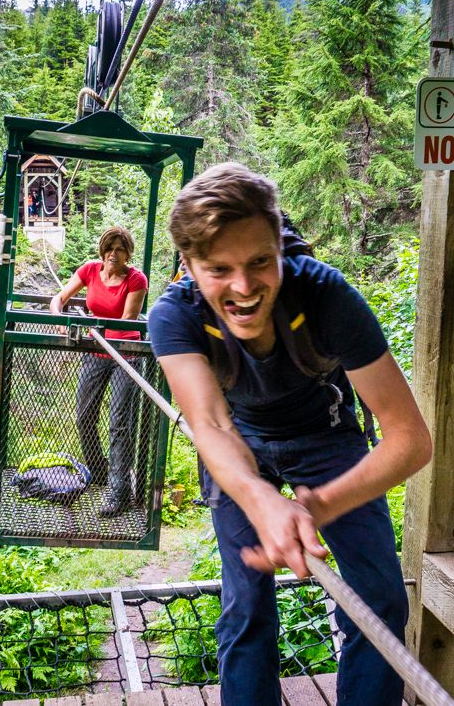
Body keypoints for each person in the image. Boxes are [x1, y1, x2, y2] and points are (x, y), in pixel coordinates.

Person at [147, 163, 432, 706]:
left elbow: (410, 437)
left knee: (379, 600)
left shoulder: (326, 297)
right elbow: (209, 424)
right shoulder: (173, 317)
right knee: (246, 602)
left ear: (280, 246)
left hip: (326, 438)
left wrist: (315, 508)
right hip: (238, 443)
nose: (243, 287)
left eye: (259, 262)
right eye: (219, 269)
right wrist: (259, 500)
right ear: (189, 266)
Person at [50, 227, 150, 517]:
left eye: (119, 249)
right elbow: (59, 299)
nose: (113, 254)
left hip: (126, 353)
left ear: (127, 253)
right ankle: (100, 470)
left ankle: (118, 493)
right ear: (102, 250)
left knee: (119, 423)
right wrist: (61, 320)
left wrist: (97, 327)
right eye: (109, 248)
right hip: (96, 352)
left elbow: (127, 320)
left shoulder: (135, 279)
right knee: (84, 415)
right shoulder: (90, 270)